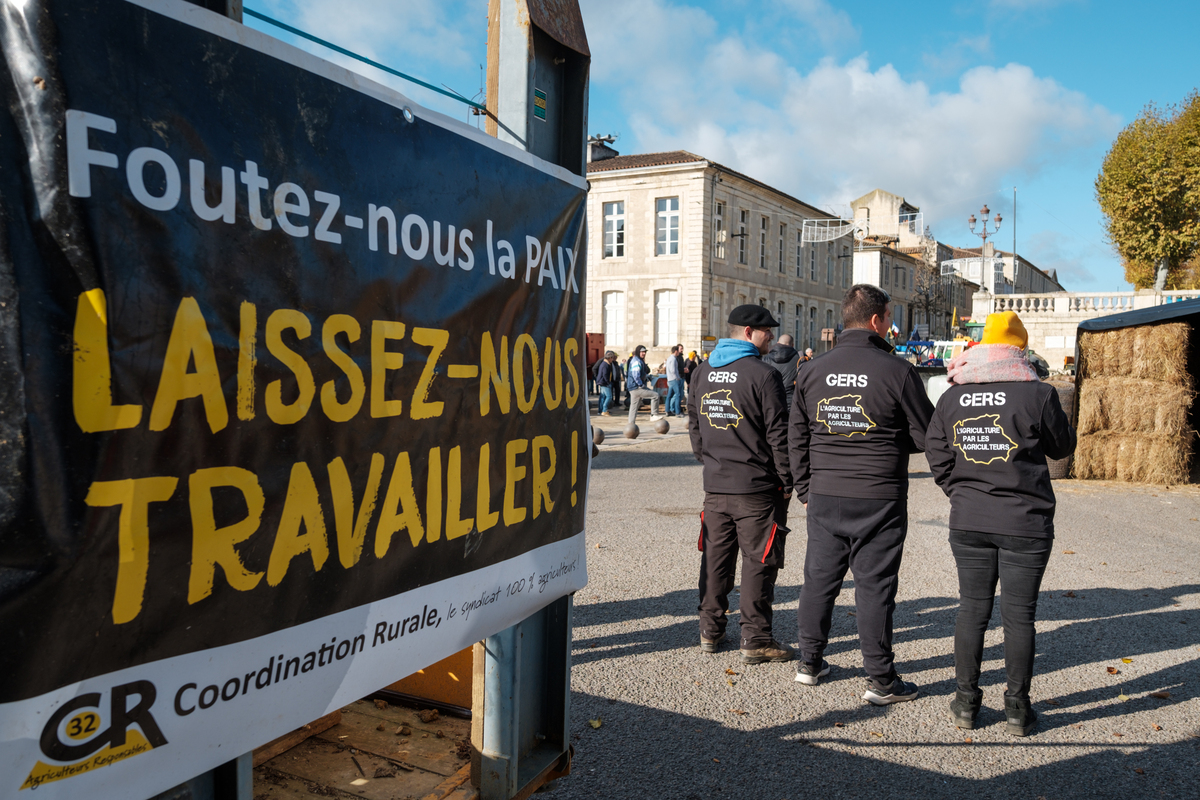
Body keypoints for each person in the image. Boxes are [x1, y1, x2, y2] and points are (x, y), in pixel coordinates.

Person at [925, 311, 1075, 736]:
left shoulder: (954, 395)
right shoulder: (1038, 394)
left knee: (971, 610)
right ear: (1019, 349)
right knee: (1018, 617)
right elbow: (1062, 447)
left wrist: (959, 490)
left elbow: (935, 450)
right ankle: (1016, 708)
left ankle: (967, 702)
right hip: (1024, 521)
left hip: (969, 517)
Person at [789, 284, 934, 704]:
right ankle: (880, 679)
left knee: (818, 581)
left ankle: (809, 662)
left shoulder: (812, 369)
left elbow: (796, 434)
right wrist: (889, 439)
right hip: (878, 495)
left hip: (825, 493)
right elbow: (925, 434)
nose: (891, 326)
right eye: (889, 318)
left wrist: (804, 487)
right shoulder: (897, 370)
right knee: (875, 587)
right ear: (876, 321)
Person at [688, 305, 793, 665]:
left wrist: (711, 461)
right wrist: (787, 479)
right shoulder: (763, 375)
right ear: (749, 331)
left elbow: (695, 426)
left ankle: (710, 630)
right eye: (767, 332)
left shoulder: (702, 372)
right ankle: (756, 638)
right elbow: (779, 436)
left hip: (716, 485)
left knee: (715, 559)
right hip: (756, 488)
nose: (772, 338)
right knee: (759, 561)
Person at [626, 345, 662, 424]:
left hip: (633, 388)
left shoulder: (639, 360)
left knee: (634, 407)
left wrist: (647, 376)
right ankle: (654, 415)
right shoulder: (636, 361)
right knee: (655, 395)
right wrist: (641, 385)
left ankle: (630, 425)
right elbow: (636, 375)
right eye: (642, 352)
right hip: (637, 388)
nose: (644, 353)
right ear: (638, 352)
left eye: (644, 352)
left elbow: (640, 374)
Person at [762, 333, 801, 409]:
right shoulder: (799, 359)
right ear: (792, 345)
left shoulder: (766, 359)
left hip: (771, 401)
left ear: (778, 343)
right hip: (792, 402)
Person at [594, 351, 618, 416]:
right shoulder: (605, 364)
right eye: (612, 358)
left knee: (602, 396)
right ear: (609, 358)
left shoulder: (604, 363)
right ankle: (604, 410)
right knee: (609, 396)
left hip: (602, 382)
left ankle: (601, 410)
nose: (612, 360)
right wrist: (608, 383)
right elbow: (605, 375)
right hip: (604, 383)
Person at [665, 344, 685, 417]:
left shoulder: (669, 358)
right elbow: (673, 370)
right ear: (676, 351)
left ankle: (667, 410)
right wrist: (677, 377)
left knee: (669, 395)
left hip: (670, 379)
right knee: (678, 394)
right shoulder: (673, 359)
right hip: (674, 379)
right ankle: (677, 412)